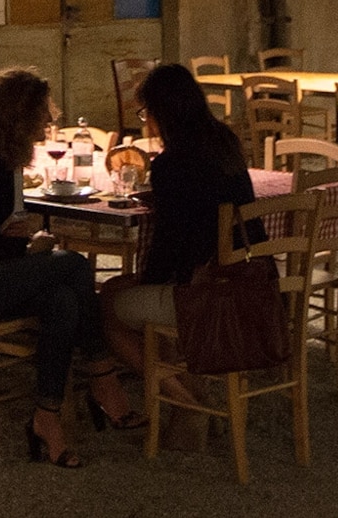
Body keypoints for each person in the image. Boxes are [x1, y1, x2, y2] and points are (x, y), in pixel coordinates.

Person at [0, 66, 138, 466]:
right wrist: (33, 248)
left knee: (63, 301)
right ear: (20, 117)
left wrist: (24, 245)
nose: (49, 119)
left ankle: (47, 417)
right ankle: (102, 377)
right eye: (43, 111)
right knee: (73, 265)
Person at [100, 63, 251, 409]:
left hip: (200, 290)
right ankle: (189, 392)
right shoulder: (224, 141)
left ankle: (191, 402)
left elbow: (167, 248)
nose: (146, 121)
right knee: (111, 288)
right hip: (240, 280)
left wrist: (144, 283)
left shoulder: (172, 164)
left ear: (160, 113)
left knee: (107, 313)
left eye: (145, 113)